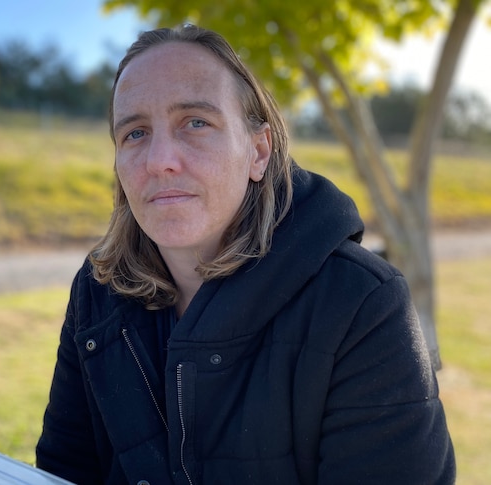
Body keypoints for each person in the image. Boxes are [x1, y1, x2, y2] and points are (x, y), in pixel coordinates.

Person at [35, 24, 455, 484]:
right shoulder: (98, 292)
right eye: (134, 133)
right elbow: (63, 469)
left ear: (258, 151)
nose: (159, 159)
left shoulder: (362, 305)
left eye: (195, 122)